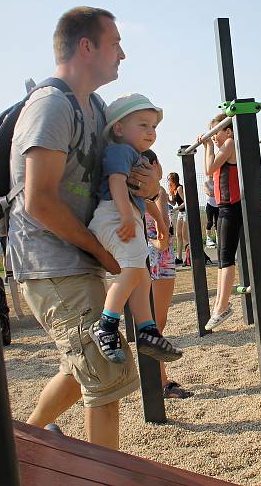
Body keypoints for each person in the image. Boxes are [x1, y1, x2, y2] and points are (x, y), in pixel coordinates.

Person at [8, 6, 160, 449]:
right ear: (86, 46)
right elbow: (39, 201)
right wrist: (101, 251)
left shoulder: (94, 107)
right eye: (115, 42)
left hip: (77, 255)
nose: (123, 53)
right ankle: (102, 475)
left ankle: (25, 443)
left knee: (82, 370)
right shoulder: (52, 105)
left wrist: (148, 183)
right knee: (107, 380)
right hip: (52, 260)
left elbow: (124, 172)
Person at [86, 93, 182, 365]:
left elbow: (141, 196)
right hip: (114, 217)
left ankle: (147, 328)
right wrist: (127, 216)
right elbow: (117, 183)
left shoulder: (136, 156)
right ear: (118, 128)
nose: (151, 132)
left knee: (141, 274)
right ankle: (106, 325)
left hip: (127, 216)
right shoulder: (121, 151)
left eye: (153, 127)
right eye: (143, 125)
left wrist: (160, 222)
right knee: (130, 271)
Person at [140, 150, 193, 399]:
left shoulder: (139, 192)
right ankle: (161, 382)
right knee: (156, 325)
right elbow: (162, 229)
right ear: (154, 165)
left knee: (154, 323)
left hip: (154, 257)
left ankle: (159, 379)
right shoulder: (157, 191)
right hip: (158, 260)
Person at [202, 115, 242, 330]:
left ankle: (222, 306)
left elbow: (209, 168)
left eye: (215, 131)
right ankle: (219, 304)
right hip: (224, 207)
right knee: (221, 259)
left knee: (226, 258)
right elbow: (209, 169)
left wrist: (208, 145)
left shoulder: (230, 143)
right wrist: (208, 145)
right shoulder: (224, 147)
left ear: (227, 131)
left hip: (233, 207)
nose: (213, 136)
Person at [167, 173, 188, 265]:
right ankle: (179, 257)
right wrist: (167, 199)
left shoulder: (180, 188)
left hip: (186, 212)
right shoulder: (174, 190)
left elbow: (186, 202)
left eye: (169, 179)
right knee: (178, 235)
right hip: (180, 213)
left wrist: (175, 209)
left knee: (185, 236)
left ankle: (188, 256)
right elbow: (173, 203)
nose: (168, 181)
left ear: (173, 180)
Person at [204, 177, 218, 247]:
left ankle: (218, 239)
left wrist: (214, 192)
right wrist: (216, 192)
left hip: (217, 205)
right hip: (210, 205)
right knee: (210, 222)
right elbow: (209, 193)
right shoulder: (206, 183)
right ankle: (208, 239)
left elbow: (219, 191)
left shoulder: (216, 181)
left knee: (218, 222)